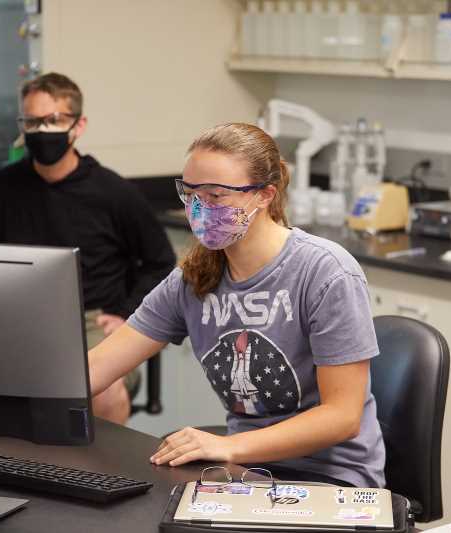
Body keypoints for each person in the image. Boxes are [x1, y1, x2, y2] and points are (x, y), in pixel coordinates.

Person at [89, 123, 385, 487]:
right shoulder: (193, 277)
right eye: (190, 193)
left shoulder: (326, 272)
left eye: (216, 195)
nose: (199, 208)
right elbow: (97, 367)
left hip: (331, 477)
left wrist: (229, 447)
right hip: (247, 472)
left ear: (264, 195)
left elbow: (342, 416)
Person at [0, 72, 176, 424]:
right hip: (16, 320)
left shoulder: (113, 192)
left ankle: (105, 477)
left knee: (99, 387)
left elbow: (160, 262)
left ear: (78, 125)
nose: (42, 131)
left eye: (53, 121)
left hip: (91, 321)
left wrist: (126, 313)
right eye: (32, 121)